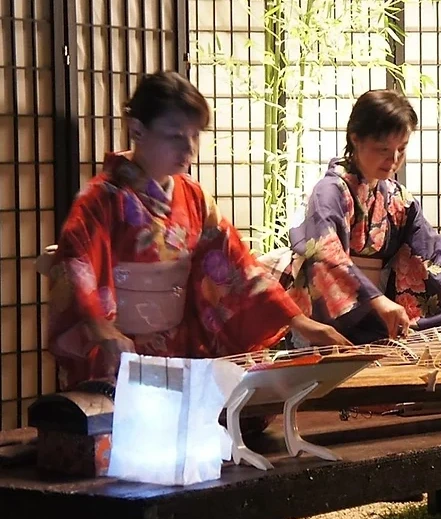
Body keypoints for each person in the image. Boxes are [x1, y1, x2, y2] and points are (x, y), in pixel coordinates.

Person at [44, 71, 350, 391]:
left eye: (194, 135)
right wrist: (102, 330)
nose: (188, 148)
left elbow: (239, 268)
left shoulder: (195, 198)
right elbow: (77, 268)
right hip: (118, 356)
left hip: (178, 349)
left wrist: (299, 321)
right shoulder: (100, 200)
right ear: (137, 130)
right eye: (175, 136)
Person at [271, 89, 441, 344]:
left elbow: (434, 253)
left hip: (375, 316)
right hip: (328, 321)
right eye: (383, 149)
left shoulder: (398, 198)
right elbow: (326, 254)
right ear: (356, 139)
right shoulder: (330, 192)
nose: (394, 159)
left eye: (402, 148)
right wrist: (377, 301)